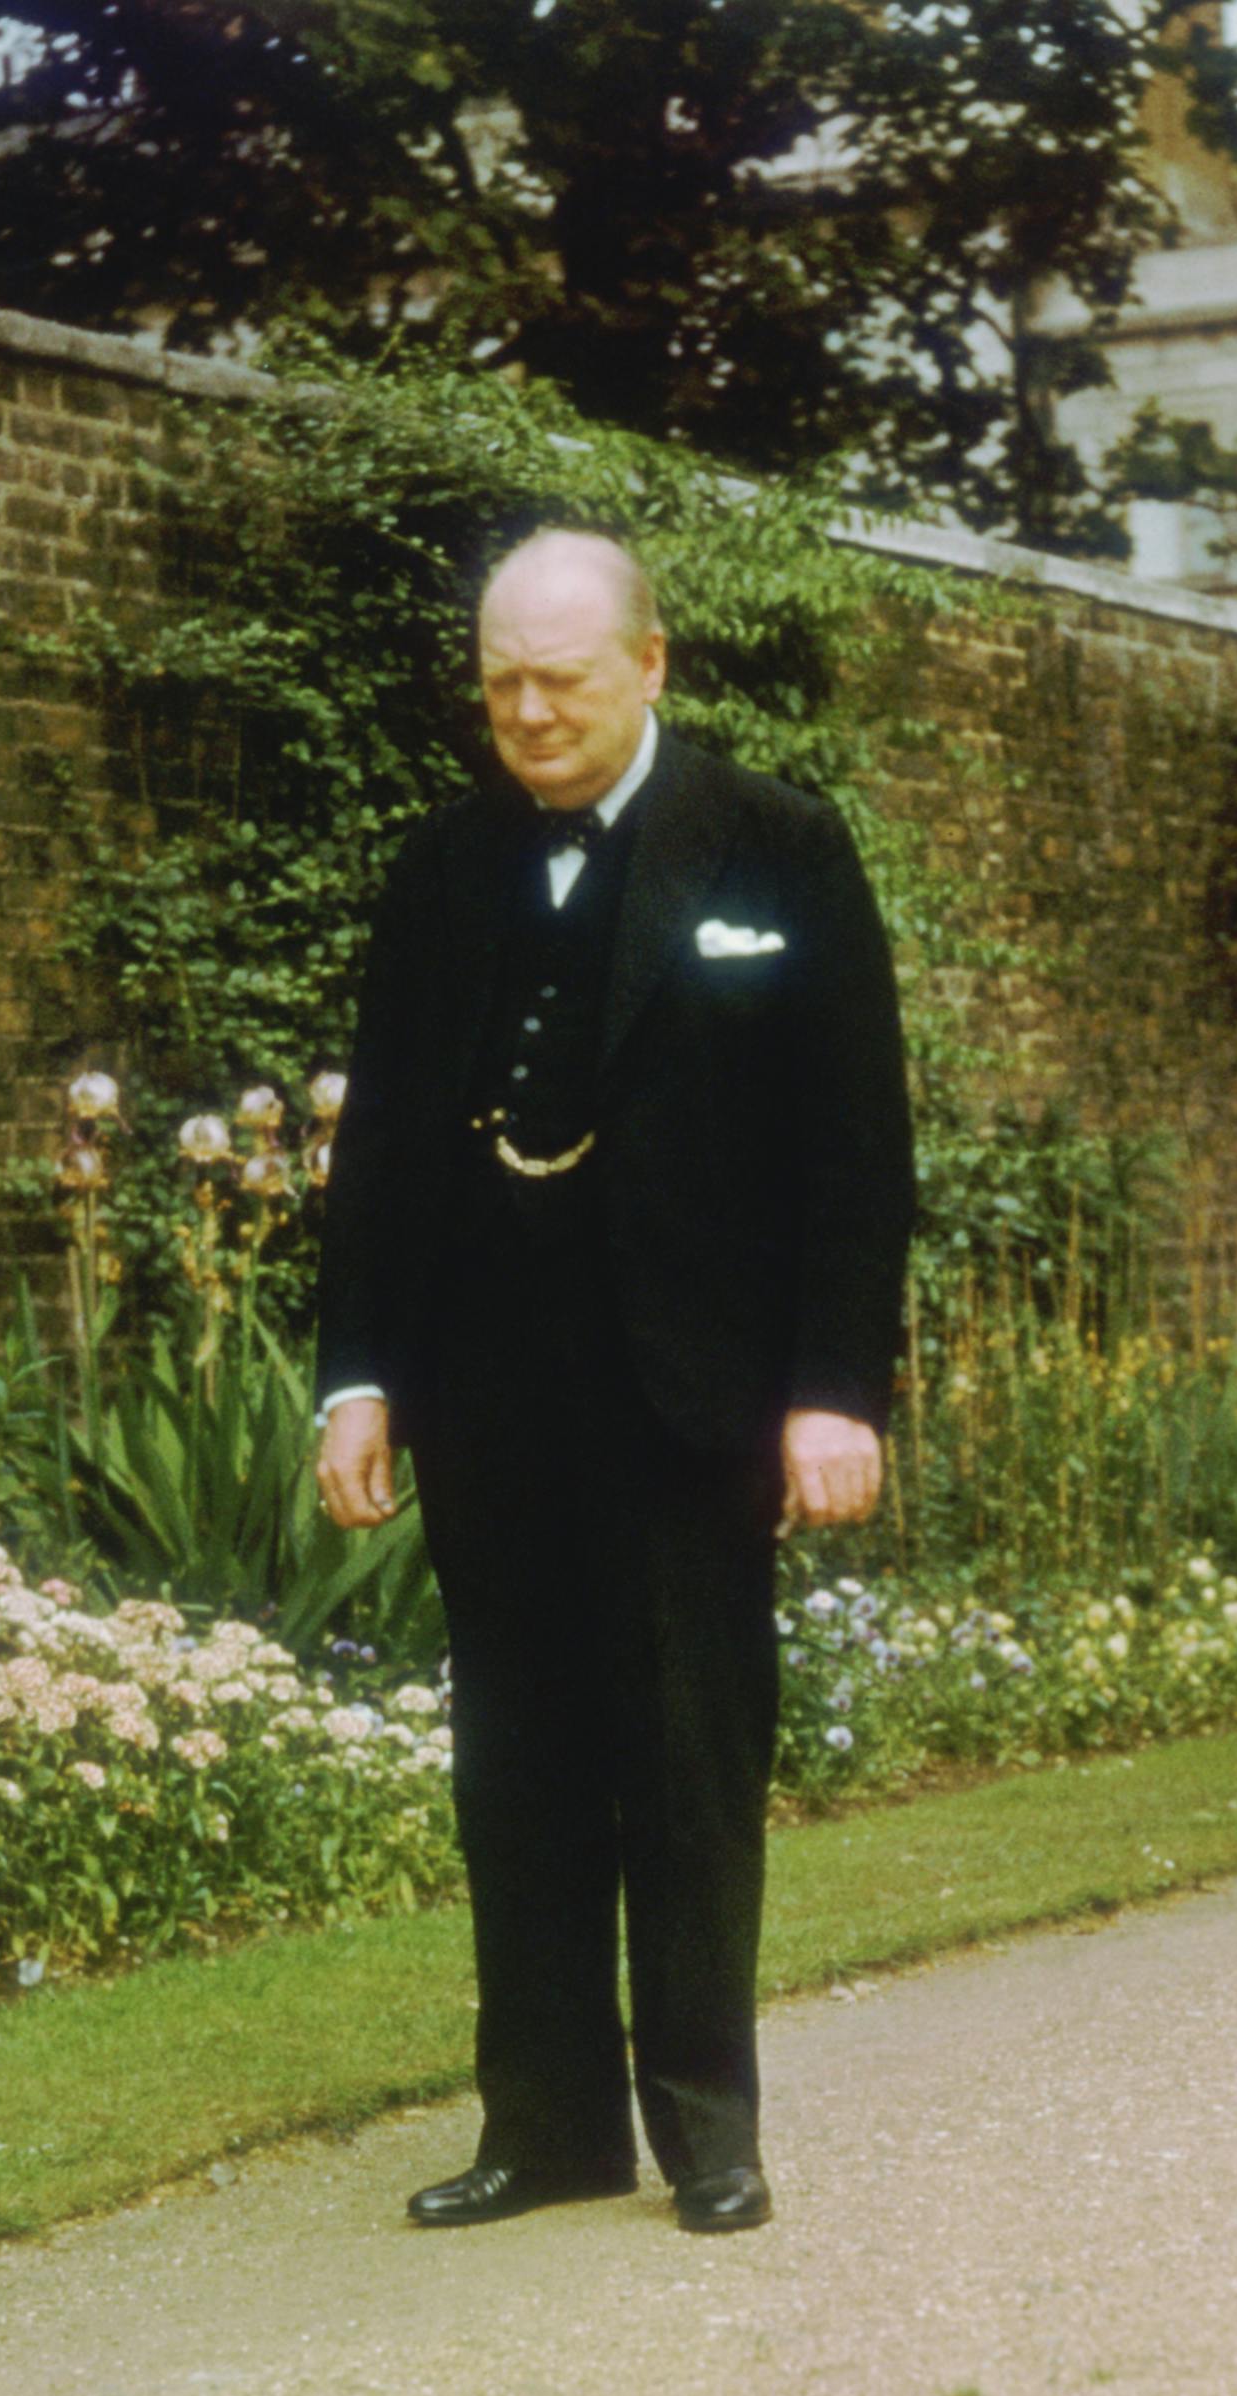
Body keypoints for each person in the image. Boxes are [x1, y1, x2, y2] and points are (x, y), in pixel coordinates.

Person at [308, 527, 914, 2236]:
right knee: (519, 1765)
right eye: (499, 679)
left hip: (693, 1392)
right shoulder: (438, 868)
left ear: (649, 666)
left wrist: (832, 1391)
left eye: (559, 677)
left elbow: (854, 1147)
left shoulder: (775, 849)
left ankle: (708, 2126)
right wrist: (357, 1378)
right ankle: (551, 2123)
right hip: (493, 1393)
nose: (525, 710)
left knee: (690, 1758)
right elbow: (380, 1159)